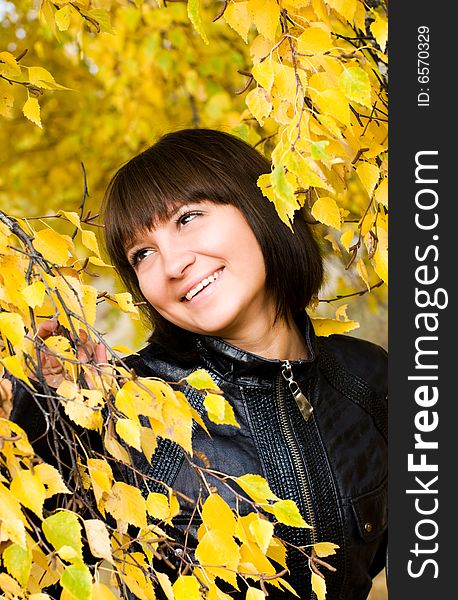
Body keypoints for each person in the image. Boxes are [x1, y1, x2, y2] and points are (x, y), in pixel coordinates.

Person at [11, 128, 387, 599]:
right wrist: (38, 407)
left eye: (188, 218)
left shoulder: (370, 380)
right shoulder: (130, 408)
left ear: (260, 206)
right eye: (142, 254)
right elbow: (33, 567)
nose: (171, 264)